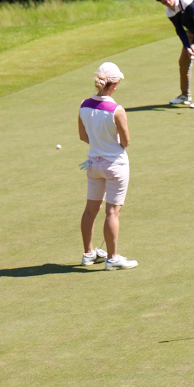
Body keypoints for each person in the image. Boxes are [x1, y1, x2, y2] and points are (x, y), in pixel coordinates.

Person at [78, 62, 137, 270]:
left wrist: (99, 144)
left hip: (93, 164)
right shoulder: (117, 110)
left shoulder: (84, 105)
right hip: (115, 165)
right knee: (112, 212)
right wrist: (111, 144)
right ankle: (112, 259)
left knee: (90, 210)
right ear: (114, 83)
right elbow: (125, 141)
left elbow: (83, 136)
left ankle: (88, 254)